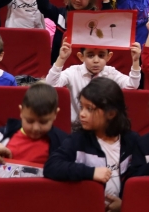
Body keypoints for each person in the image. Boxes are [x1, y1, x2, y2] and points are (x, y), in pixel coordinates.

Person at [44, 78, 142, 211]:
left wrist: (124, 203)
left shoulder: (132, 140)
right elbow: (51, 167)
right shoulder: (77, 140)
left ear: (111, 113)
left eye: (89, 109)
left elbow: (139, 180)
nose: (82, 114)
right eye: (81, 107)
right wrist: (91, 172)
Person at [0, 83, 67, 163]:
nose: (35, 128)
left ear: (55, 114)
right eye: (29, 121)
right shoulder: (3, 134)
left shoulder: (63, 142)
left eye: (43, 122)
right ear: (21, 111)